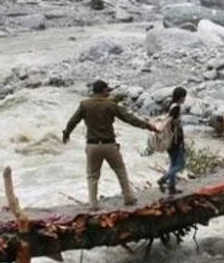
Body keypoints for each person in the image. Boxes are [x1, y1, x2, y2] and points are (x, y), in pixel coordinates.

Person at [63, 80, 158, 210]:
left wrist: (66, 133)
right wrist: (148, 126)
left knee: (92, 176)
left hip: (92, 146)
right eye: (107, 90)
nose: (109, 92)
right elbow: (129, 119)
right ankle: (128, 197)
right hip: (109, 145)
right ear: (103, 91)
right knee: (120, 170)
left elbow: (73, 121)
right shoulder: (111, 105)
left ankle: (93, 204)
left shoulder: (85, 104)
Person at [157, 87, 187, 196]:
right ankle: (163, 179)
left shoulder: (170, 105)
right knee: (180, 165)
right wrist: (160, 128)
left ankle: (172, 187)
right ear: (181, 97)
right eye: (184, 97)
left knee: (173, 163)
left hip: (169, 140)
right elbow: (170, 119)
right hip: (176, 140)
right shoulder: (176, 108)